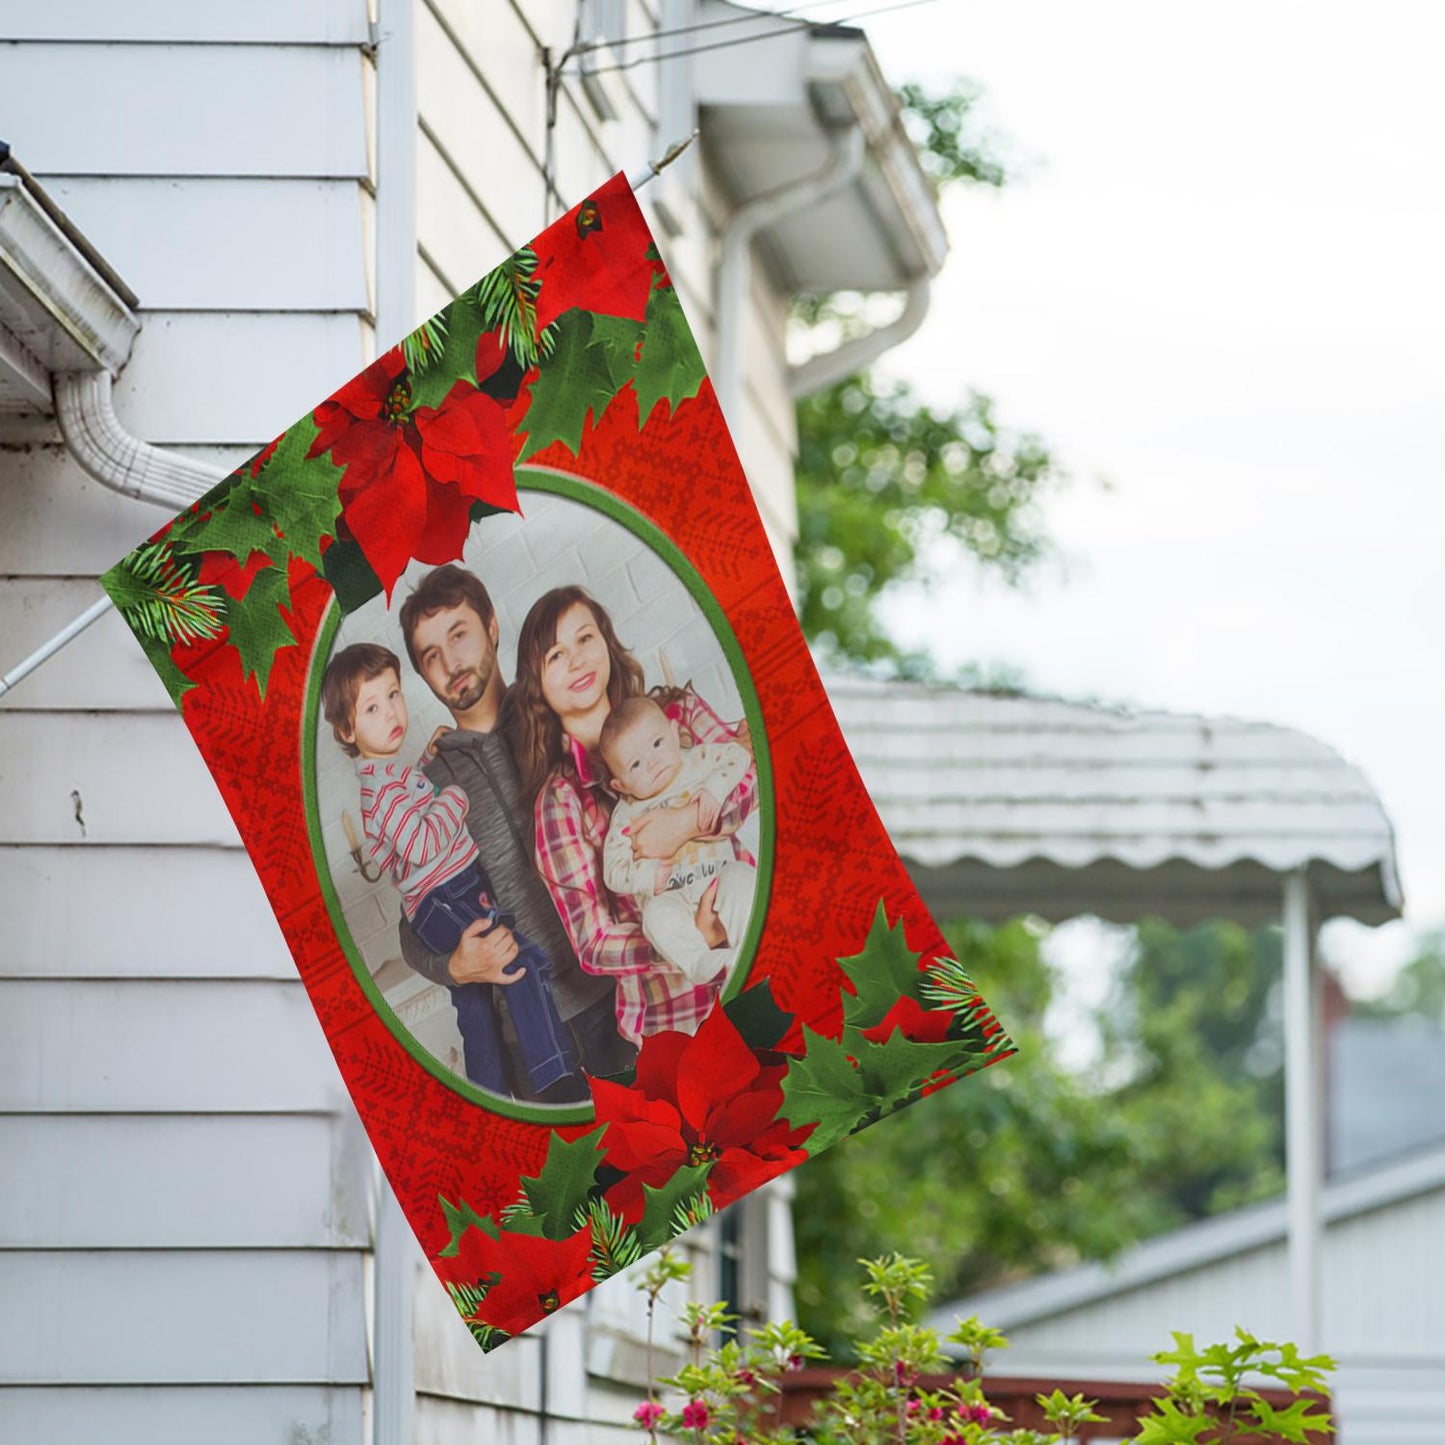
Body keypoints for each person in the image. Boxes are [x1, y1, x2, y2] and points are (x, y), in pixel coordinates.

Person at [393, 565, 636, 1094]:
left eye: (459, 635)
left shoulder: (563, 712)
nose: (451, 662)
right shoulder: (426, 791)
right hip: (533, 1039)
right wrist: (455, 967)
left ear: (493, 626)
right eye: (432, 656)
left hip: (627, 993)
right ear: (424, 676)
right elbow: (411, 927)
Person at [321, 641, 585, 1103]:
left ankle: (488, 1093)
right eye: (372, 707)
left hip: (443, 894)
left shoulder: (391, 777)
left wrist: (424, 770)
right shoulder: (380, 793)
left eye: (394, 695)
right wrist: (454, 798)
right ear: (347, 729)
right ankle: (555, 1074)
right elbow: (421, 844)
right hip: (446, 895)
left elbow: (397, 840)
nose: (391, 712)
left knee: (475, 1005)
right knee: (519, 960)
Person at [510, 585, 758, 1045]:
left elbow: (753, 777)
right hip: (672, 1016)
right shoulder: (559, 804)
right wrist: (692, 935)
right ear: (538, 687)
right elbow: (593, 941)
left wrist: (684, 824)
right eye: (556, 656)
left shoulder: (675, 716)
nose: (578, 660)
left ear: (606, 640)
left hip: (753, 931)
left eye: (585, 639)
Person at [598, 694, 757, 988]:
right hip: (671, 896)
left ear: (674, 732)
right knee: (656, 919)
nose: (653, 762)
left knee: (742, 880)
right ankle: (706, 965)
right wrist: (646, 876)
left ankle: (756, 948)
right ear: (621, 786)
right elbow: (613, 871)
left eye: (657, 743)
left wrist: (714, 789)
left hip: (718, 874)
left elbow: (739, 756)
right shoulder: (625, 816)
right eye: (635, 764)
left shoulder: (697, 761)